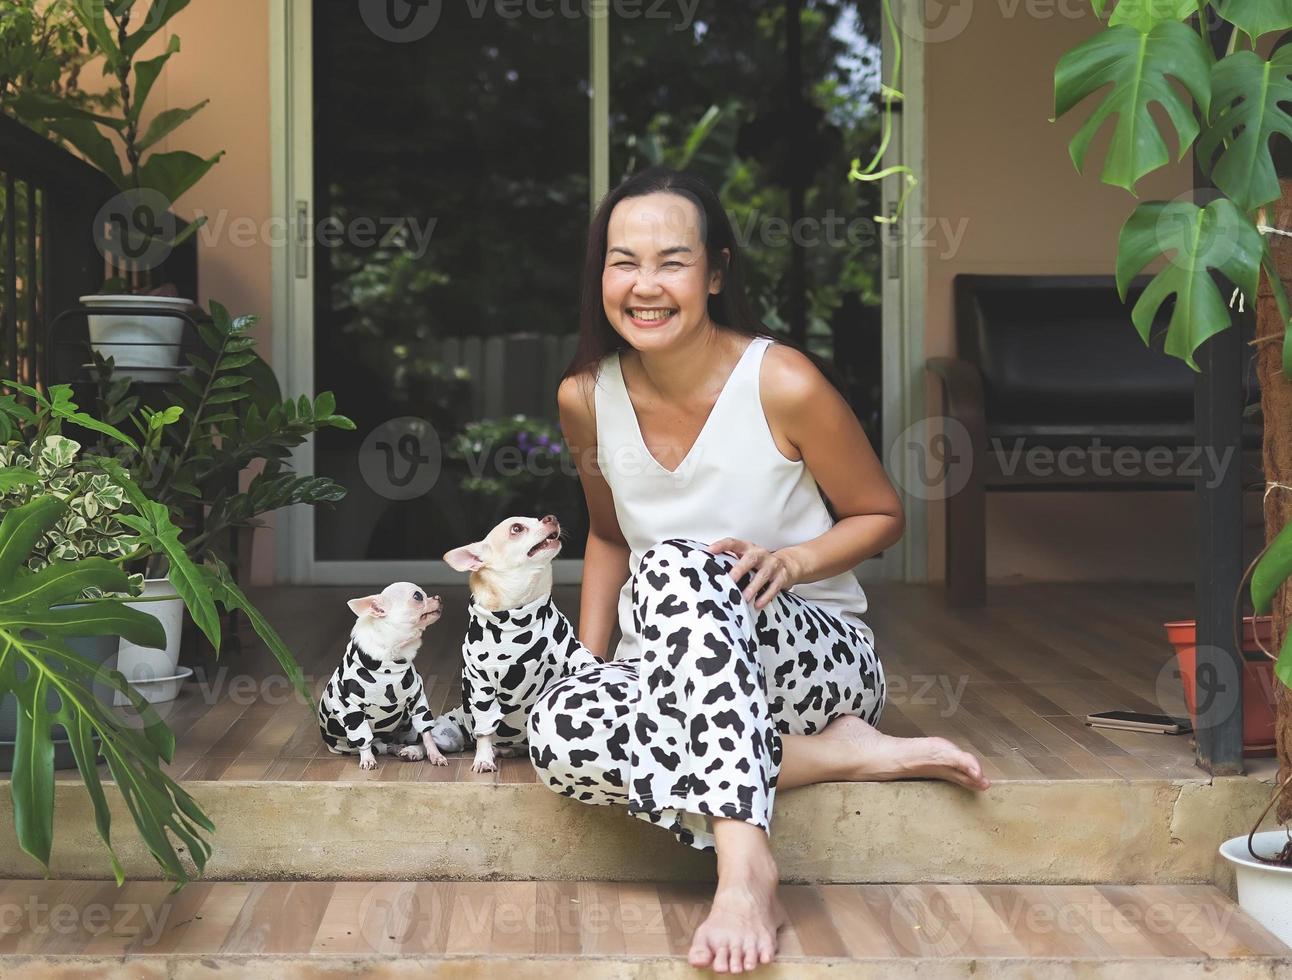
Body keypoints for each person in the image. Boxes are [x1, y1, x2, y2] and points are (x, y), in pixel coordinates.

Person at [526, 166, 990, 973]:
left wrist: (794, 560)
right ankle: (847, 756)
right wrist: (587, 666)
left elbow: (881, 514)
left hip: (814, 655)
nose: (646, 285)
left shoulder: (781, 381)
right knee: (556, 727)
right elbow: (606, 536)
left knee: (674, 564)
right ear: (599, 274)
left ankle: (744, 869)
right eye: (622, 261)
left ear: (714, 273)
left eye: (672, 261)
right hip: (677, 670)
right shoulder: (583, 396)